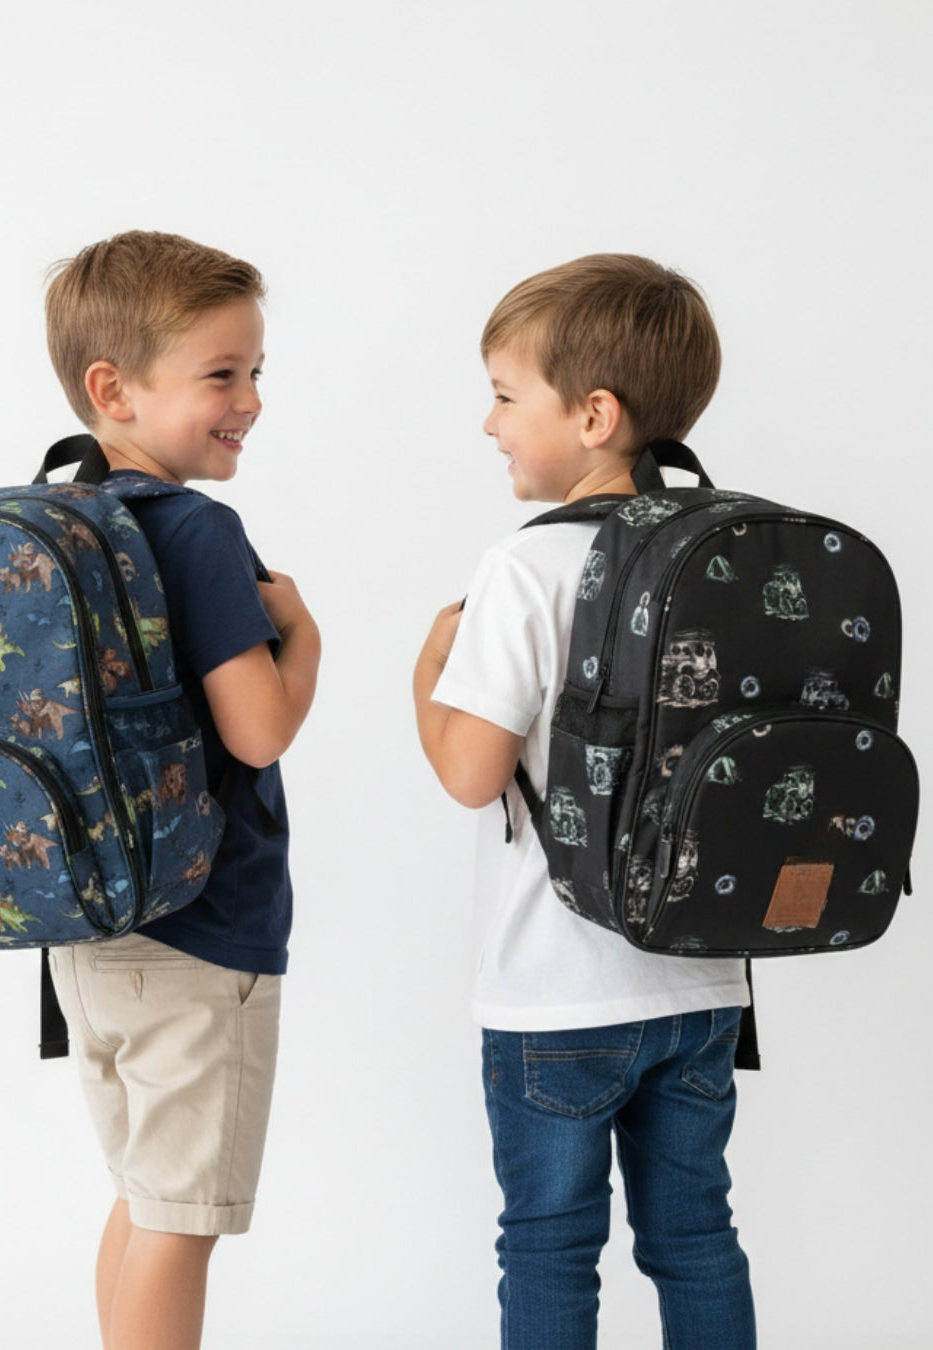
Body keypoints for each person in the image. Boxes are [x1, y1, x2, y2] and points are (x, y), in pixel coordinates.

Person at [413, 254, 756, 1349]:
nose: (489, 423)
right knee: (697, 1235)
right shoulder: (726, 553)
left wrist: (427, 671)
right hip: (703, 980)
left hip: (557, 996)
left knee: (551, 1244)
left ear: (595, 415)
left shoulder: (527, 567)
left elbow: (471, 772)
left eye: (508, 397)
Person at [43, 231, 321, 1350]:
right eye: (222, 373)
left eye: (256, 372)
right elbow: (258, 731)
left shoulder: (60, 514)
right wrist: (303, 635)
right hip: (203, 932)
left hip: (87, 922)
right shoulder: (198, 532)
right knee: (179, 1219)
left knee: (140, 1198)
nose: (249, 398)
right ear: (114, 388)